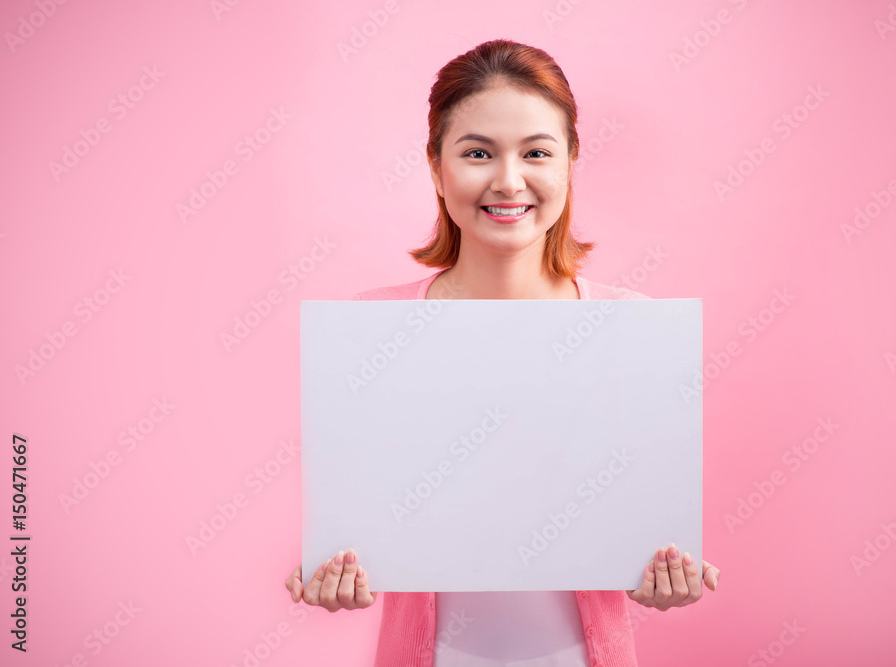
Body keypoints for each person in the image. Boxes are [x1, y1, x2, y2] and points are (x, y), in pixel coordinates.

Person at [285, 38, 721, 666]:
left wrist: (660, 573)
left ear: (570, 161)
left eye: (536, 152)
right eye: (478, 153)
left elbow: (632, 530)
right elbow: (358, 525)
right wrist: (334, 573)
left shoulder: (632, 332)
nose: (508, 181)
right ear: (436, 166)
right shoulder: (372, 333)